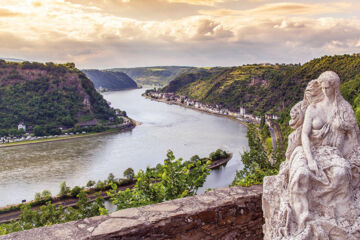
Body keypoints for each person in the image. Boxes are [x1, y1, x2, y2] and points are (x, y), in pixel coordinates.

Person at [263, 71, 360, 240]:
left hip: (332, 153)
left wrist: (348, 156)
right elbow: (304, 136)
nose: (324, 91)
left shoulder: (344, 109)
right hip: (308, 150)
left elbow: (353, 138)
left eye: (328, 88)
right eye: (322, 87)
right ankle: (303, 221)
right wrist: (310, 159)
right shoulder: (313, 108)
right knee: (301, 174)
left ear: (335, 88)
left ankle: (332, 214)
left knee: (341, 173)